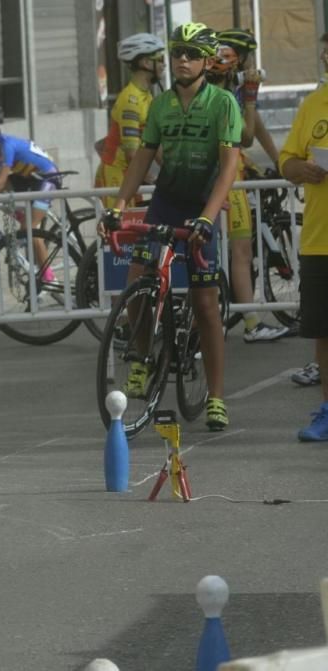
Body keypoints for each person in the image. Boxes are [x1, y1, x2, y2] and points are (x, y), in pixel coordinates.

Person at [99, 22, 243, 431]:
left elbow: (229, 167)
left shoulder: (222, 103)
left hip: (202, 205)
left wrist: (208, 216)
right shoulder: (159, 104)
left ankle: (215, 396)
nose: (183, 59)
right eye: (178, 51)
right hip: (165, 203)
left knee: (205, 304)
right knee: (137, 281)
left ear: (207, 61)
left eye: (193, 53)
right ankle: (142, 359)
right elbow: (142, 159)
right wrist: (120, 204)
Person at [206, 28, 289, 343]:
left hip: (232, 175)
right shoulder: (227, 91)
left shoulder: (232, 88)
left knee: (234, 249)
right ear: (238, 58)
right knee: (237, 250)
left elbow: (261, 129)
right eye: (250, 56)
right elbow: (247, 136)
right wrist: (251, 95)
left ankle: (244, 321)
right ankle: (246, 324)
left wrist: (281, 161)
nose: (254, 63)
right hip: (225, 179)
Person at [279, 32, 328, 441]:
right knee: (323, 332)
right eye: (326, 46)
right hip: (318, 240)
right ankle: (327, 411)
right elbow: (286, 160)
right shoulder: (312, 105)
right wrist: (301, 170)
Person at [0, 103, 60, 280]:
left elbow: (1, 180)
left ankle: (49, 279)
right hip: (29, 178)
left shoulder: (5, 145)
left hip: (48, 178)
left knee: (31, 229)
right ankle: (24, 219)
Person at [94, 32, 166, 209]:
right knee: (122, 233)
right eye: (161, 59)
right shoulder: (130, 100)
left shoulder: (146, 96)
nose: (164, 65)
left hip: (130, 174)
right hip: (116, 173)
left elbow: (153, 143)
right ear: (146, 63)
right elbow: (132, 153)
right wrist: (154, 179)